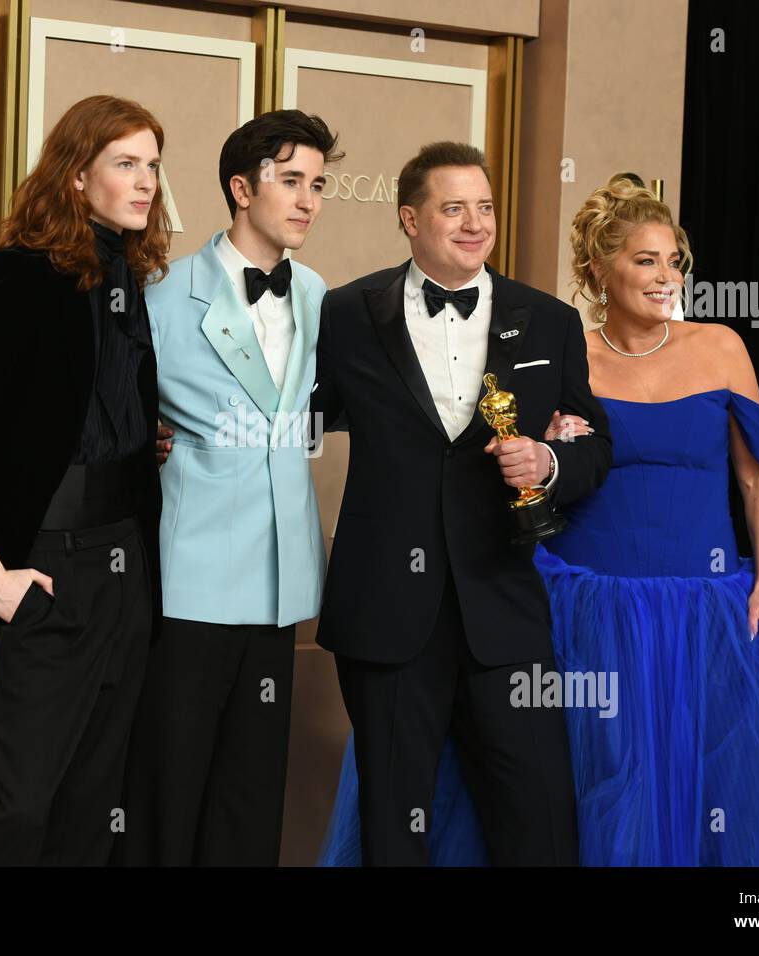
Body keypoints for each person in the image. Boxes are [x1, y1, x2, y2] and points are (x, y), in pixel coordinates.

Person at [320, 175, 759, 865]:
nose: (667, 277)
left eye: (675, 261)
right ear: (600, 269)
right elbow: (493, 448)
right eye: (646, 260)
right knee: (566, 794)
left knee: (720, 795)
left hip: (709, 608)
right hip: (584, 609)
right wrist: (546, 444)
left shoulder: (722, 347)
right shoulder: (563, 342)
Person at [310, 142, 613, 866]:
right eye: (454, 208)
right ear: (410, 219)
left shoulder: (548, 321)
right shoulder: (346, 312)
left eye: (484, 207)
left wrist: (549, 460)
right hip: (384, 611)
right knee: (393, 826)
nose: (475, 223)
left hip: (502, 606)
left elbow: (595, 443)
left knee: (538, 820)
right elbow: (299, 415)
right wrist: (185, 436)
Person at [0, 94, 169, 866]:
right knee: (21, 808)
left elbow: (76, 408)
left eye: (153, 165)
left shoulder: (127, 273)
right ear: (76, 176)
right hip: (48, 567)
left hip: (126, 564)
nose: (146, 180)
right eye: (126, 164)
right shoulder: (27, 279)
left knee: (95, 803)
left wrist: (131, 439)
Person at [118, 111, 341, 866]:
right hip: (190, 580)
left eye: (317, 184)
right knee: (167, 788)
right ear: (241, 189)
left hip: (279, 581)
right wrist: (140, 442)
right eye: (290, 182)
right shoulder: (158, 293)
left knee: (251, 795)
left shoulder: (320, 296)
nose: (308, 199)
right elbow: (105, 415)